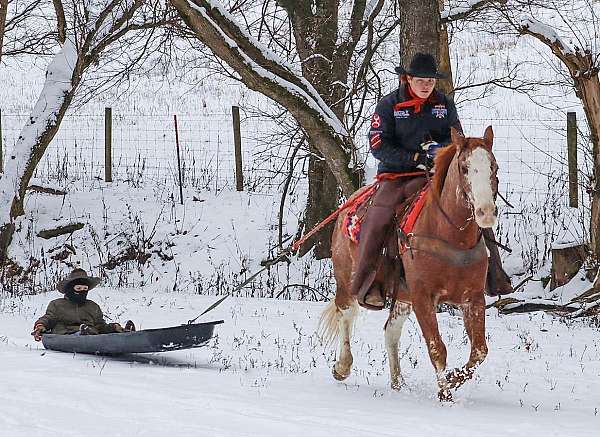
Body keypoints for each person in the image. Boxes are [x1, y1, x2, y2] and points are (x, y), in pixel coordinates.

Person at [353, 52, 512, 310]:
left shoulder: (444, 105)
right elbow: (378, 145)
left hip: (436, 175)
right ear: (408, 79)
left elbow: (456, 141)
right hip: (395, 176)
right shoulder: (389, 105)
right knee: (378, 218)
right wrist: (414, 156)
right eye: (420, 80)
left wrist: (441, 150)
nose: (426, 85)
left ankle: (494, 275)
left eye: (430, 80)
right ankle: (370, 283)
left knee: (474, 208)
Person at [31, 268, 135, 341]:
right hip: (66, 335)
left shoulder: (92, 306)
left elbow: (100, 326)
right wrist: (40, 327)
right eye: (78, 289)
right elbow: (48, 318)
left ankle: (126, 335)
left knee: (97, 334)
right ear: (70, 289)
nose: (82, 291)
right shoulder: (57, 304)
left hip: (92, 335)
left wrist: (113, 327)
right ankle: (84, 334)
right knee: (83, 334)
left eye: (85, 289)